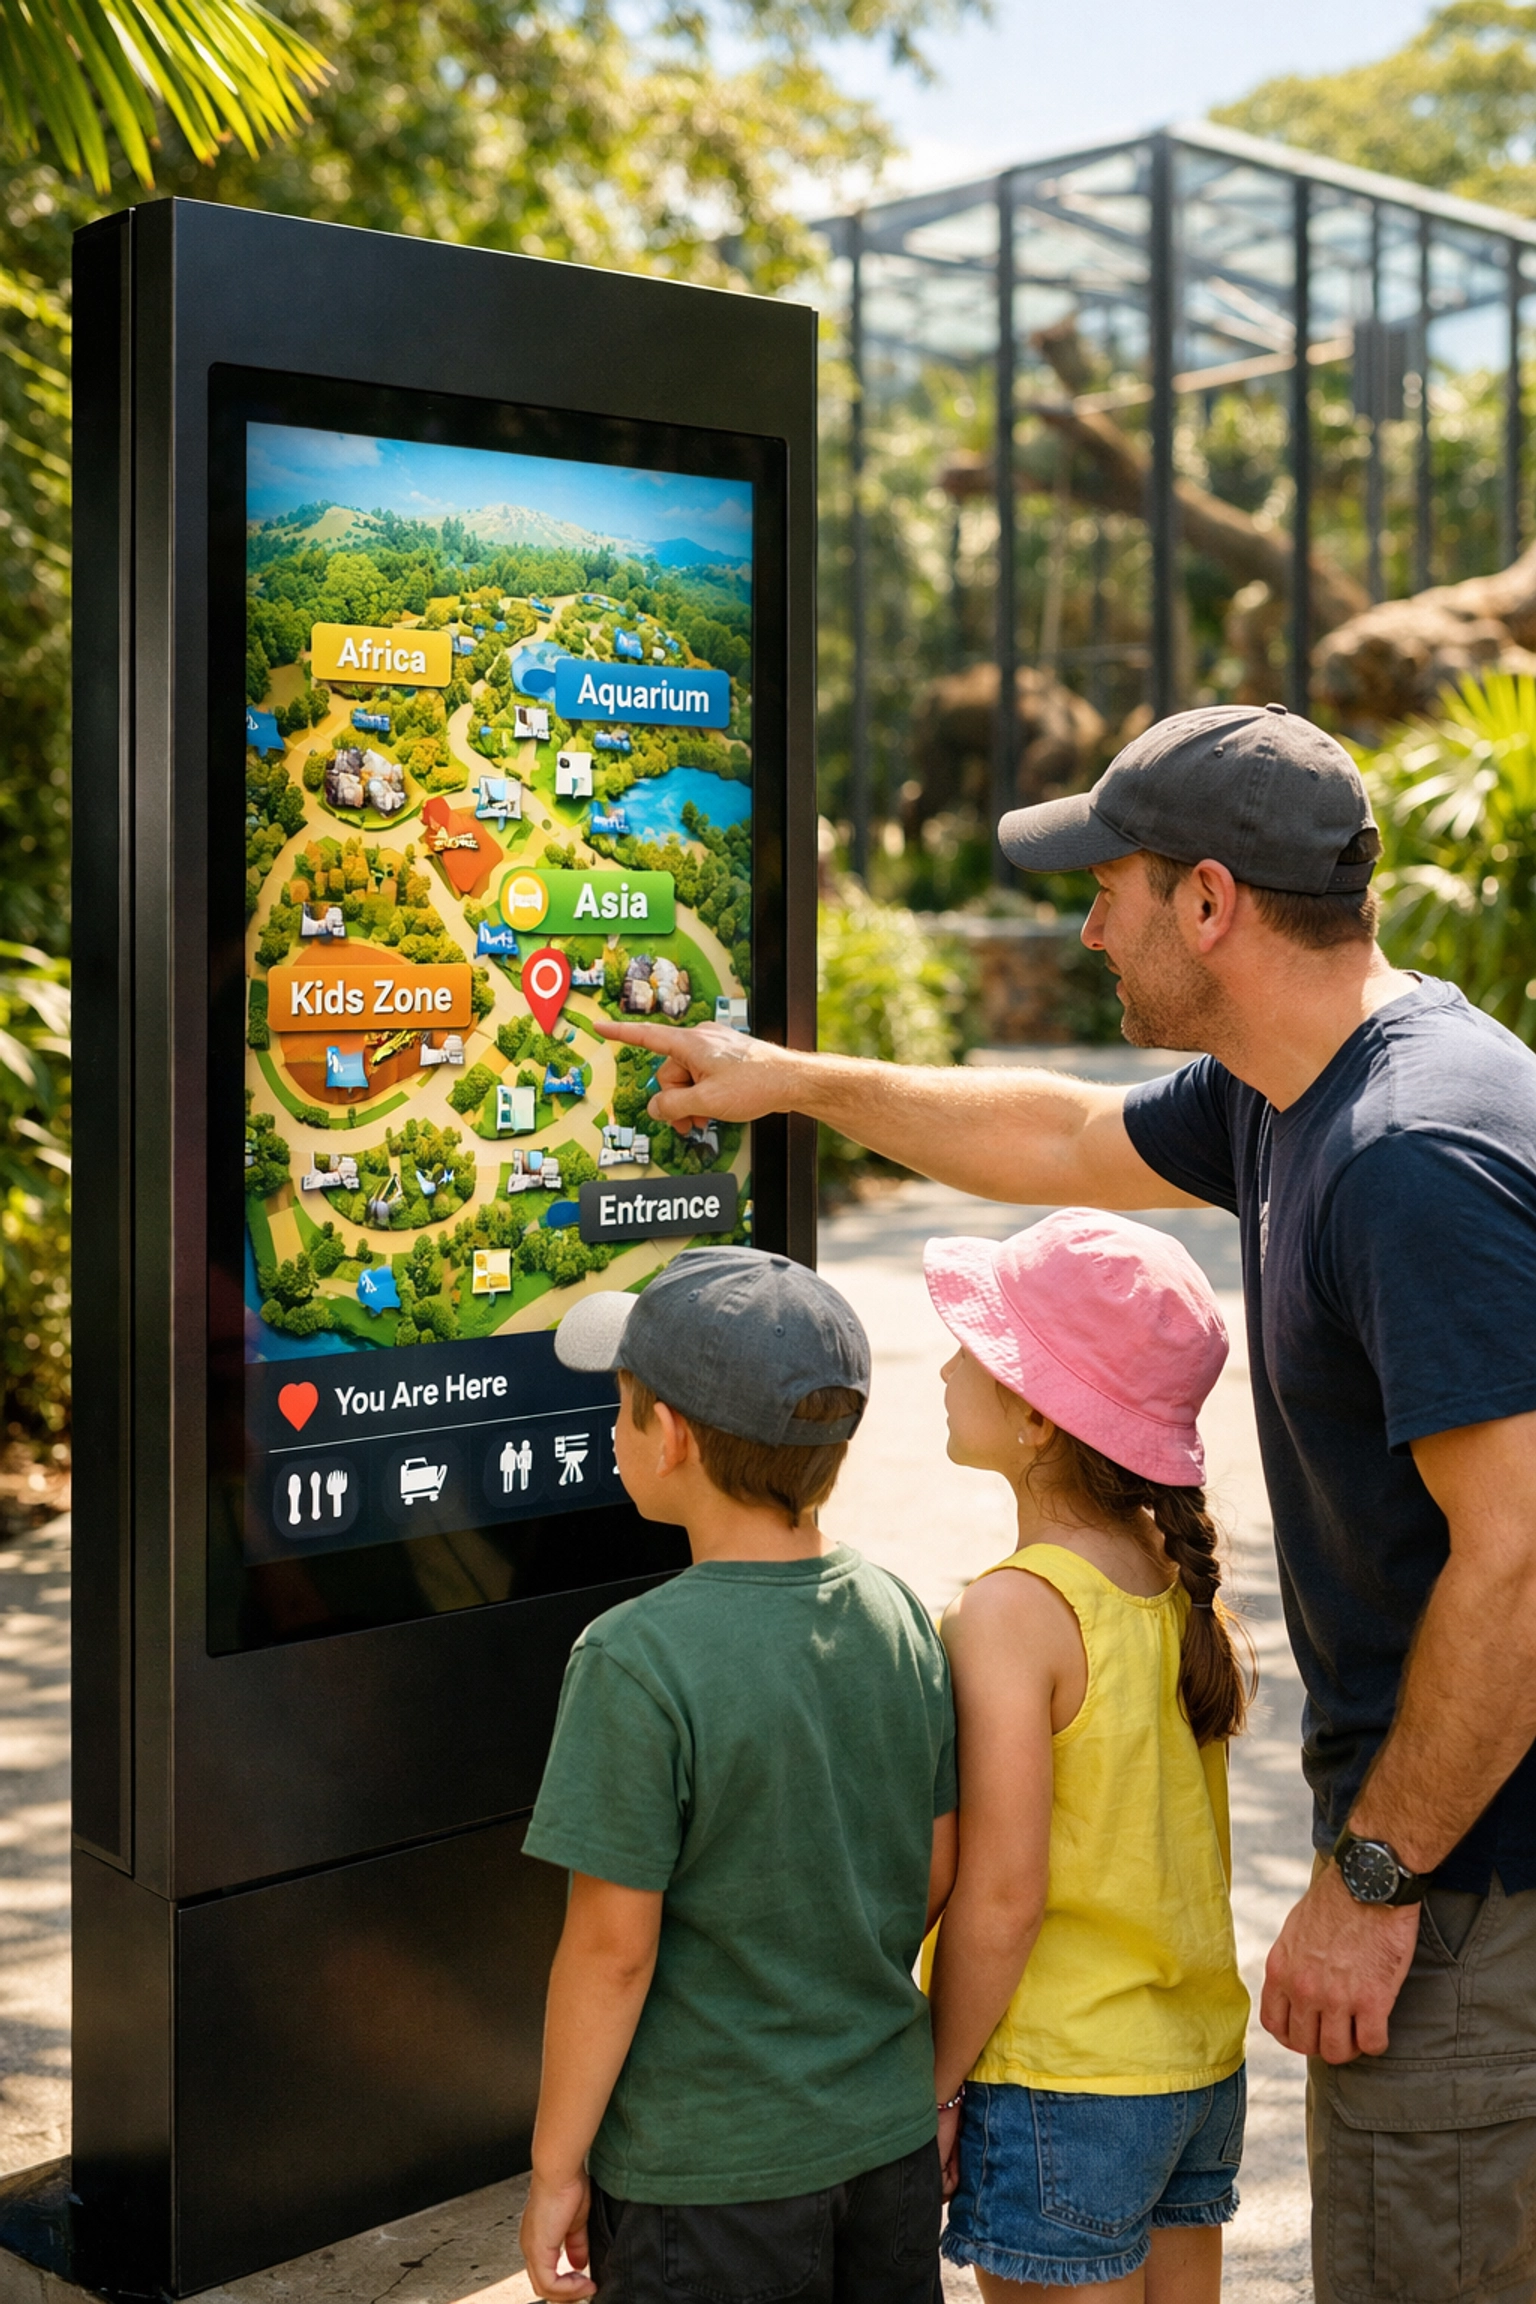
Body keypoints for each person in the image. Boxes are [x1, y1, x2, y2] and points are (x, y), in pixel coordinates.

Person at [602, 703, 1536, 2304]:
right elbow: (1064, 1133)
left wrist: (1374, 1881)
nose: (1088, 928)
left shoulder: (1409, 1152)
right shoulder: (1292, 1088)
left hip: (1475, 1884)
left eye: (1108, 889)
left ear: (1210, 902)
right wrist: (785, 1084)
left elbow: (1517, 1561)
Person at [517, 1246, 958, 2304]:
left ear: (669, 1439)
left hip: (704, 2180)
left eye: (621, 1407)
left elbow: (612, 1954)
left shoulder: (632, 1658)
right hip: (885, 2146)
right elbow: (935, 1868)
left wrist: (553, 2166)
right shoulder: (897, 1611)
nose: (612, 1430)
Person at [925, 1209, 1250, 2300]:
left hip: (1059, 2078)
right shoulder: (1167, 1571)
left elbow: (1002, 1895)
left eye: (972, 1346)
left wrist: (934, 2084)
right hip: (1194, 2067)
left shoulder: (1010, 1614)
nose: (944, 1366)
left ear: (1036, 1416)